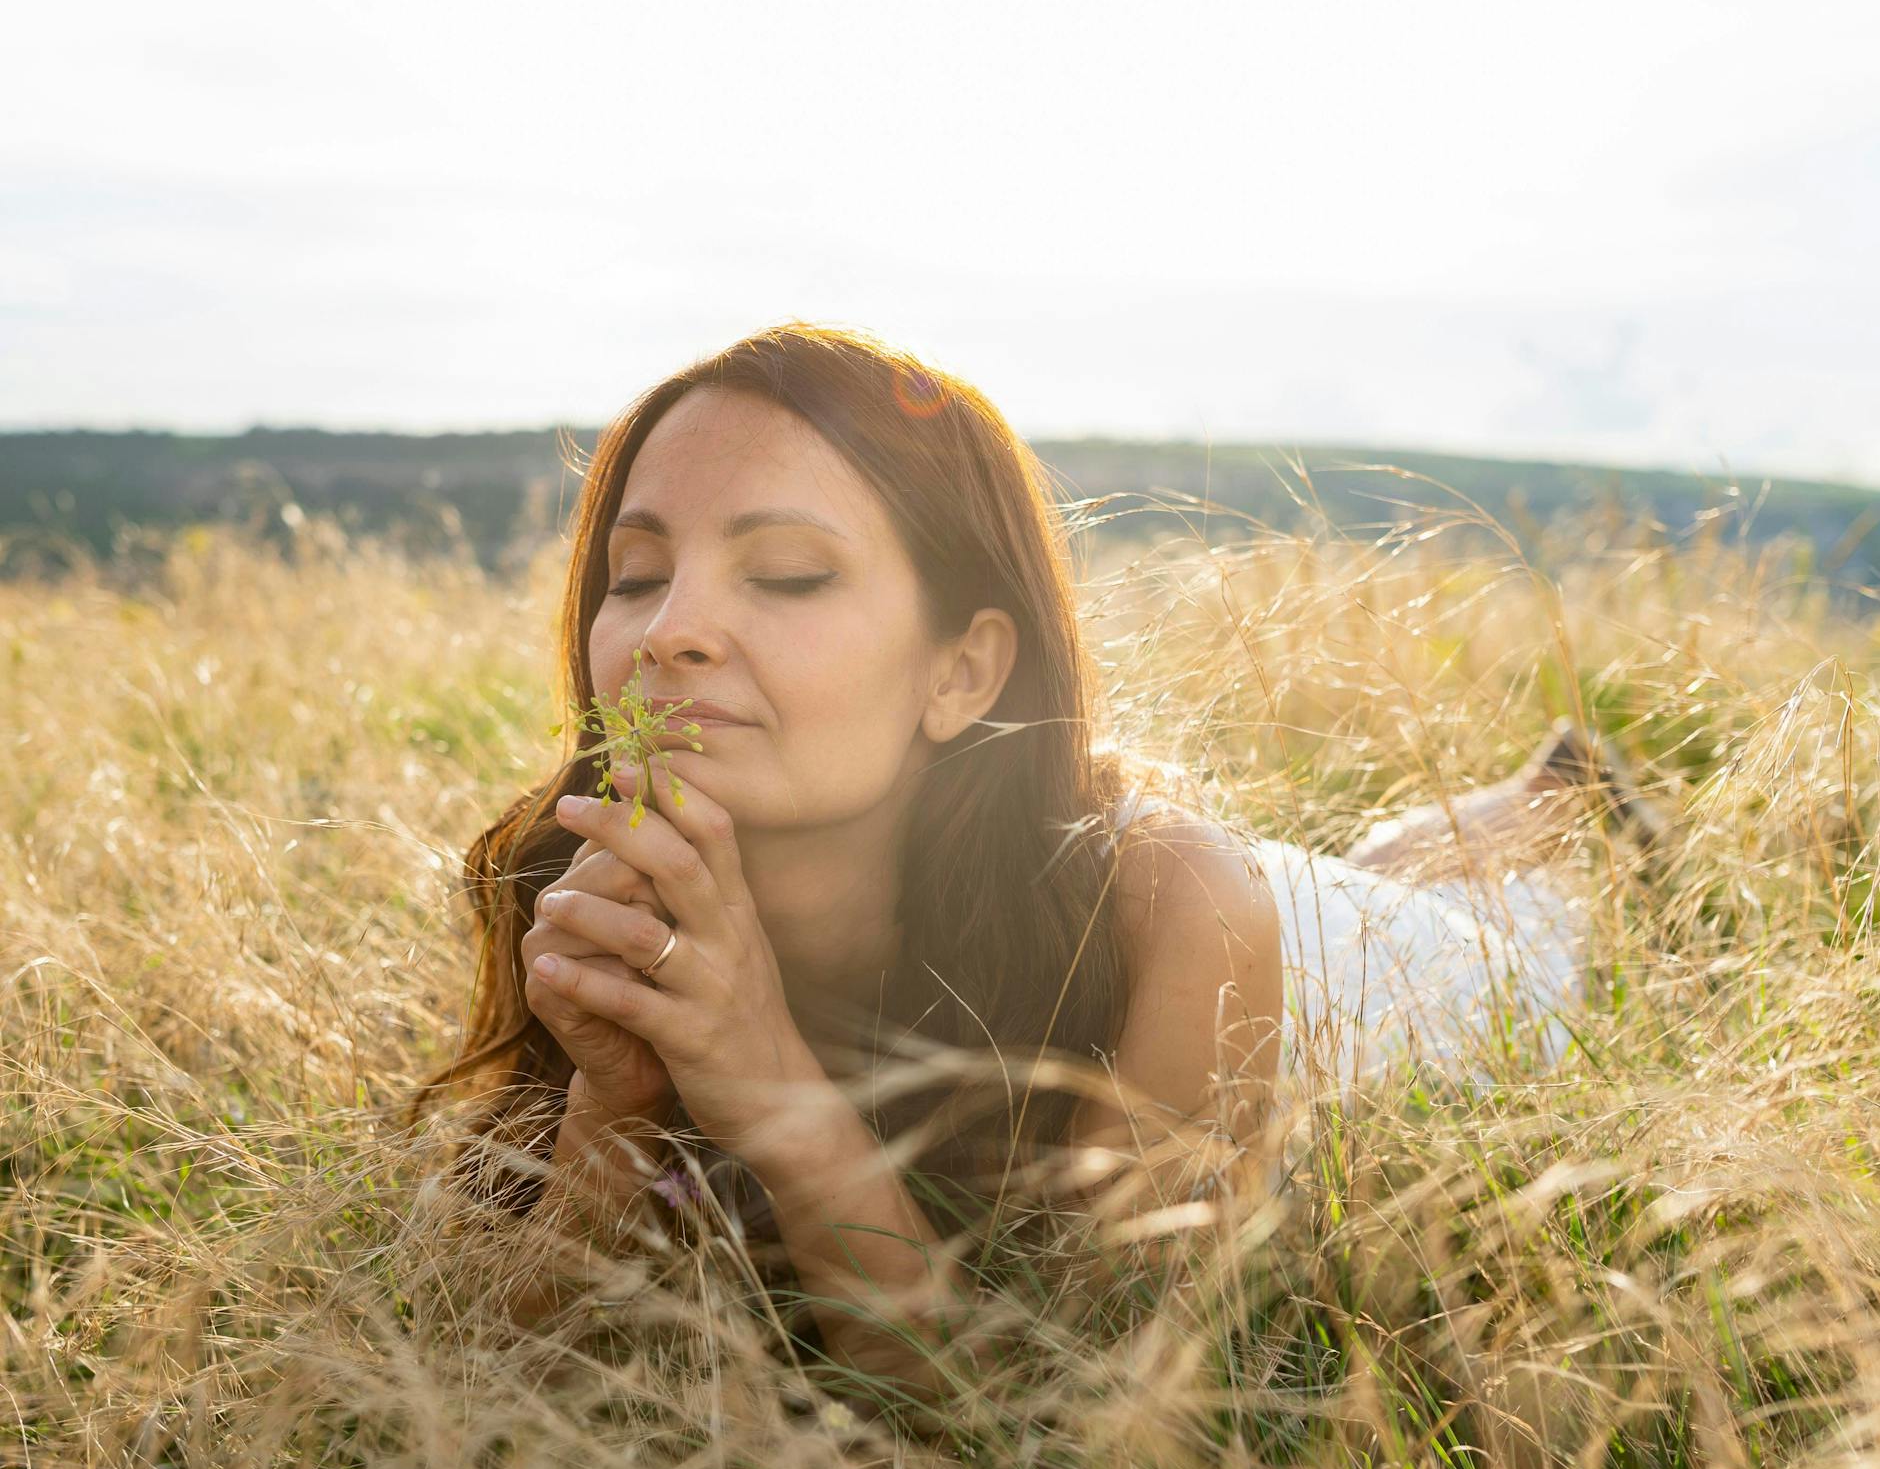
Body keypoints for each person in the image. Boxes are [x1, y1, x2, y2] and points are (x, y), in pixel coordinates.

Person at [405, 321, 1661, 1401]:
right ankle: (1540, 789)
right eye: (636, 574)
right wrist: (611, 1111)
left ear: (960, 671)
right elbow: (502, 1391)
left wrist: (779, 1096)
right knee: (1383, 852)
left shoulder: (1172, 918)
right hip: (1253, 893)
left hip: (1377, 974)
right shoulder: (577, 877)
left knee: (1500, 921)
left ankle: (1570, 810)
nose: (671, 631)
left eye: (784, 573)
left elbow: (1057, 1444)